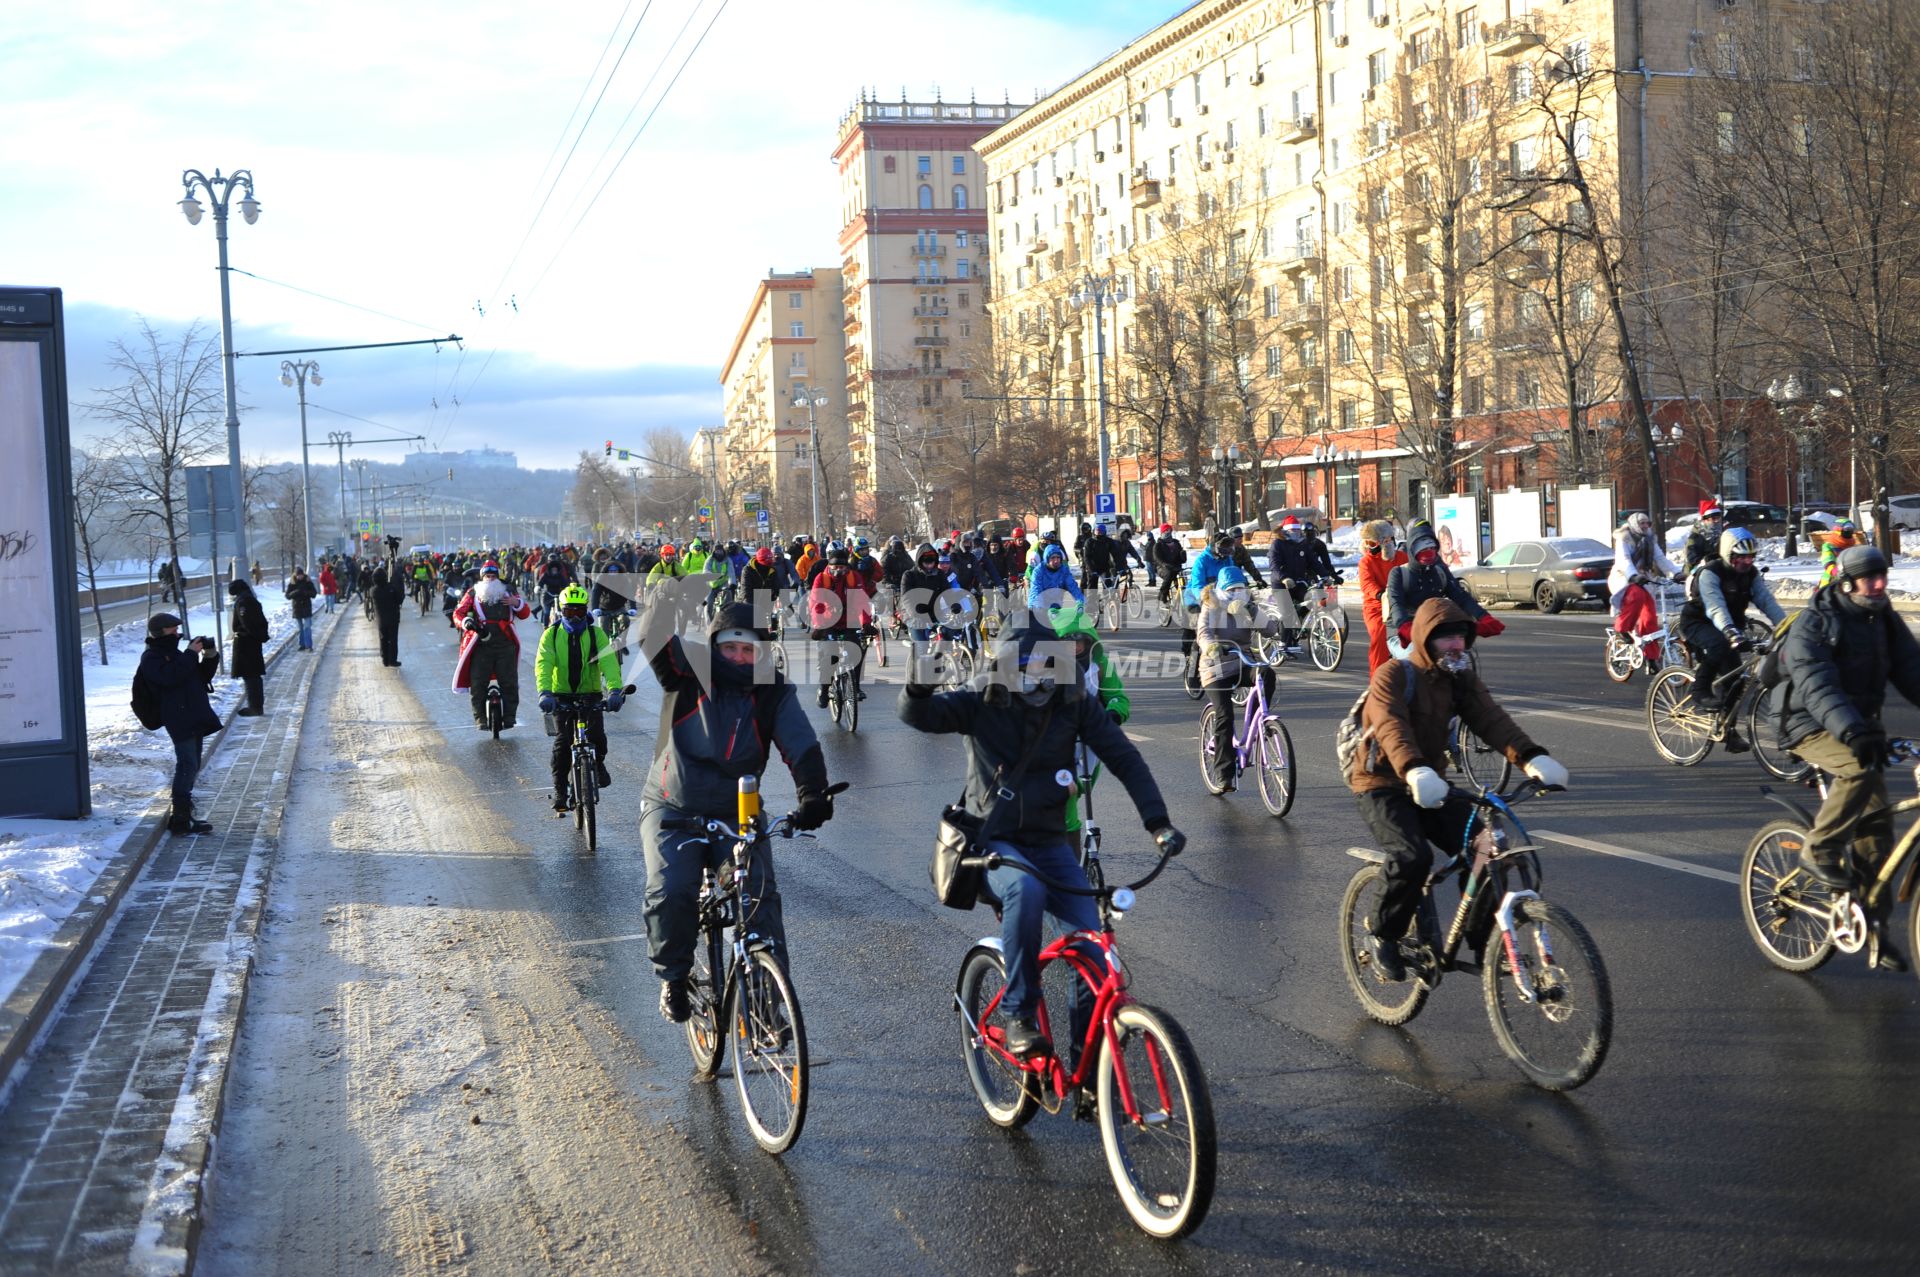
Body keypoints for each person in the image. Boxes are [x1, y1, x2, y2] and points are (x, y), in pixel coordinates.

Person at [899, 624, 1186, 1064]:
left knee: (1092, 944)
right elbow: (917, 716)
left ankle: (1089, 1067)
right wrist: (918, 686)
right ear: (1008, 666)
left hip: (1051, 842)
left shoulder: (1072, 703)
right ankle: (1019, 1015)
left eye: (1051, 665)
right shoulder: (981, 701)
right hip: (994, 845)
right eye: (1030, 665)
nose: (1041, 676)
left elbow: (1124, 757)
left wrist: (1158, 823)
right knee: (1025, 891)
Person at [1349, 598, 1569, 980]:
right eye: (1444, 638)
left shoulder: (1459, 679)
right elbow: (1390, 727)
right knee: (1412, 856)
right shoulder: (1394, 675)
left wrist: (1531, 758)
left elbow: (1491, 719)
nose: (1455, 645)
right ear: (1424, 639)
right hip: (1382, 782)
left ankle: (1485, 942)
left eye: (1460, 637)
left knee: (1487, 849)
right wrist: (1415, 770)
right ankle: (1382, 935)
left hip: (1430, 782)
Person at [639, 599, 837, 1023]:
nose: (740, 657)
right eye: (731, 648)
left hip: (736, 812)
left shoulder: (772, 692)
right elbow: (655, 642)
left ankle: (766, 1003)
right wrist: (663, 605)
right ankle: (674, 976)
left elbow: (800, 743)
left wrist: (813, 793)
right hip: (672, 806)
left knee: (758, 898)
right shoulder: (688, 674)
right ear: (714, 647)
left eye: (749, 649)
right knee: (673, 890)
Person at [1775, 545, 1920, 970]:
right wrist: (1853, 730)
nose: (1879, 584)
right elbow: (1818, 685)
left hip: (1859, 726)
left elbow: (1912, 671)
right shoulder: (1816, 624)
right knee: (1858, 769)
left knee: (1878, 837)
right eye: (1869, 578)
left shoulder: (1883, 620)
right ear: (1846, 582)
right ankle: (1818, 849)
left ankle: (1875, 928)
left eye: (1882, 576)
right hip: (1808, 725)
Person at [1678, 527, 1784, 733]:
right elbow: (1715, 605)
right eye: (1740, 557)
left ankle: (1728, 730)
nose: (1746, 562)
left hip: (1729, 627)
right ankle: (1699, 690)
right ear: (1728, 554)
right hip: (1698, 622)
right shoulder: (1710, 572)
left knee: (1735, 680)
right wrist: (1729, 631)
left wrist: (1786, 625)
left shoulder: (1751, 575)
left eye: (1750, 557)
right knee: (1718, 645)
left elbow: (1766, 601)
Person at [536, 584, 622, 812]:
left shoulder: (597, 634)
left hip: (590, 694)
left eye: (579, 612)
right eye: (568, 612)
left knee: (598, 738)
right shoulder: (552, 634)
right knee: (562, 746)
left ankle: (599, 763)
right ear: (561, 611)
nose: (574, 617)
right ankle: (561, 792)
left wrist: (614, 691)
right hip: (560, 696)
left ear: (587, 611)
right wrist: (544, 693)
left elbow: (609, 663)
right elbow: (544, 664)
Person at [1197, 565, 1281, 791]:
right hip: (1215, 666)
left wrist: (1254, 612)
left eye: (1240, 589)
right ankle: (1224, 774)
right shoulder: (1211, 604)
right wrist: (1211, 646)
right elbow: (1203, 632)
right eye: (1232, 589)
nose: (1237, 593)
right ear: (1222, 590)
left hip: (1243, 661)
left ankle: (1257, 721)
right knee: (1224, 714)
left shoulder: (1248, 606)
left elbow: (1270, 629)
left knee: (1266, 673)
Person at [137, 613, 222, 835]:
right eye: (172, 629)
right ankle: (181, 818)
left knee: (192, 764)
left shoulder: (174, 653)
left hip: (192, 714)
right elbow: (170, 677)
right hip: (178, 716)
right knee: (187, 765)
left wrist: (210, 655)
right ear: (160, 632)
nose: (177, 631)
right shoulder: (152, 657)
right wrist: (190, 654)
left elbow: (199, 676)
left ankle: (184, 815)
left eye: (177, 628)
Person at [1385, 519, 1497, 658]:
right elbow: (1396, 605)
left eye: (1431, 548)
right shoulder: (1399, 574)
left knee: (1462, 658)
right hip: (1401, 635)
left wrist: (1483, 617)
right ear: (1413, 549)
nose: (1428, 552)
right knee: (1414, 657)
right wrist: (1404, 627)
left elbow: (1461, 596)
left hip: (1433, 630)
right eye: (1423, 548)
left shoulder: (1440, 572)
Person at [453, 562, 533, 729]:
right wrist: (465, 621)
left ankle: (510, 717)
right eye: (487, 576)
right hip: (481, 644)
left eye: (493, 576)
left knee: (509, 683)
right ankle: (480, 718)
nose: (490, 579)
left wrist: (515, 602)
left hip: (506, 643)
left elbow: (525, 613)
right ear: (482, 578)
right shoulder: (473, 592)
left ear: (498, 577)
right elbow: (458, 613)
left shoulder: (509, 591)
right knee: (478, 683)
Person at [1608, 511, 1680, 664]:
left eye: (1648, 523)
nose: (1646, 526)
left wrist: (1677, 573)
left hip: (1644, 579)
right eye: (1642, 523)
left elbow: (1660, 558)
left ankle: (1651, 658)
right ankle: (1621, 628)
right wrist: (1633, 576)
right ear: (1634, 524)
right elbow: (1624, 559)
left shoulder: (1650, 539)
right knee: (1636, 596)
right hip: (1624, 577)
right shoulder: (1624, 538)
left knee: (1650, 618)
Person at [807, 544, 872, 707]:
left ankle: (855, 686)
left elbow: (861, 601)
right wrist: (819, 626)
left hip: (849, 621)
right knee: (830, 655)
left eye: (842, 567)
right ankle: (824, 688)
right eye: (835, 567)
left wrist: (866, 623)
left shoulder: (854, 578)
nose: (839, 570)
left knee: (858, 649)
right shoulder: (821, 579)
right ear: (829, 565)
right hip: (827, 622)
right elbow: (816, 605)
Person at [1268, 516, 1337, 649]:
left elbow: (1314, 562)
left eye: (1297, 530)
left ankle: (1300, 632)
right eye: (1293, 530)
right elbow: (1274, 566)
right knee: (1288, 612)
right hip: (1281, 584)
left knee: (1311, 604)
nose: (1296, 533)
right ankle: (1284, 643)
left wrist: (1326, 575)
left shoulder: (1303, 544)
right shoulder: (1278, 544)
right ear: (1286, 531)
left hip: (1299, 582)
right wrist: (1284, 578)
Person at [1358, 520, 1409, 674]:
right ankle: (1377, 679)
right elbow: (1367, 584)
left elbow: (1411, 575)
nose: (1368, 547)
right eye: (1367, 543)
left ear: (1385, 541)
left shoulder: (1402, 558)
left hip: (1402, 604)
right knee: (1380, 636)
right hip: (1377, 608)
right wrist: (1380, 594)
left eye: (1372, 543)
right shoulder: (1366, 562)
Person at [227, 578, 269, 715]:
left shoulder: (243, 601)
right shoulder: (249, 598)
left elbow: (248, 623)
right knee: (252, 675)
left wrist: (251, 635)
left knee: (250, 676)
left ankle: (255, 707)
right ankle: (256, 705)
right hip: (252, 641)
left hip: (247, 643)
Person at [1025, 539, 1083, 612]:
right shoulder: (1038, 571)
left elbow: (1073, 587)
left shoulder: (1064, 570)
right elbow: (1035, 590)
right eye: (1053, 558)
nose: (1056, 561)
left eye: (1058, 558)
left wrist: (1080, 602)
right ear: (1047, 559)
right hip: (1042, 609)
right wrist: (1037, 608)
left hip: (1058, 608)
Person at [372, 564, 406, 665]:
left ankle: (385, 659)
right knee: (393, 639)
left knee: (383, 638)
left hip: (381, 619)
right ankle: (392, 660)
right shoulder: (390, 588)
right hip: (393, 618)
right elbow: (399, 600)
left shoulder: (373, 591)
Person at [1817, 518, 1865, 587]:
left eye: (1851, 529)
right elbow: (1828, 562)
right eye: (1847, 528)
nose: (1849, 531)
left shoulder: (1853, 547)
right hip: (1831, 584)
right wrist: (1837, 571)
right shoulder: (1828, 546)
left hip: (1850, 582)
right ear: (1838, 530)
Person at [1153, 523, 1188, 616]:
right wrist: (1165, 564)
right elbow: (1157, 559)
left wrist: (1183, 556)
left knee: (1183, 581)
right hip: (1163, 568)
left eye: (1170, 530)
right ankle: (1163, 595)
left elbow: (1181, 560)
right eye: (1166, 531)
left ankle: (1183, 598)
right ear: (1162, 532)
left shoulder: (1176, 543)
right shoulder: (1158, 545)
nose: (1168, 533)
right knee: (1169, 574)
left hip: (1176, 568)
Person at [1684, 500, 1727, 573]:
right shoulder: (1695, 537)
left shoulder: (1723, 534)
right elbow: (1692, 559)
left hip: (1720, 571)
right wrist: (1710, 559)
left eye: (1718, 518)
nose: (1717, 521)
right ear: (1704, 520)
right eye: (1713, 519)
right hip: (1698, 573)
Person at [286, 567, 318, 651]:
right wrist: (296, 592)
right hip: (297, 608)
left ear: (303, 574)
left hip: (306, 607)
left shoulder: (308, 582)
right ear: (295, 575)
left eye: (301, 575)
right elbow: (287, 596)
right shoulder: (292, 583)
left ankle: (309, 645)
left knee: (307, 627)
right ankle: (302, 644)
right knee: (300, 628)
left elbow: (314, 593)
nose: (300, 577)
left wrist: (305, 593)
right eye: (298, 575)